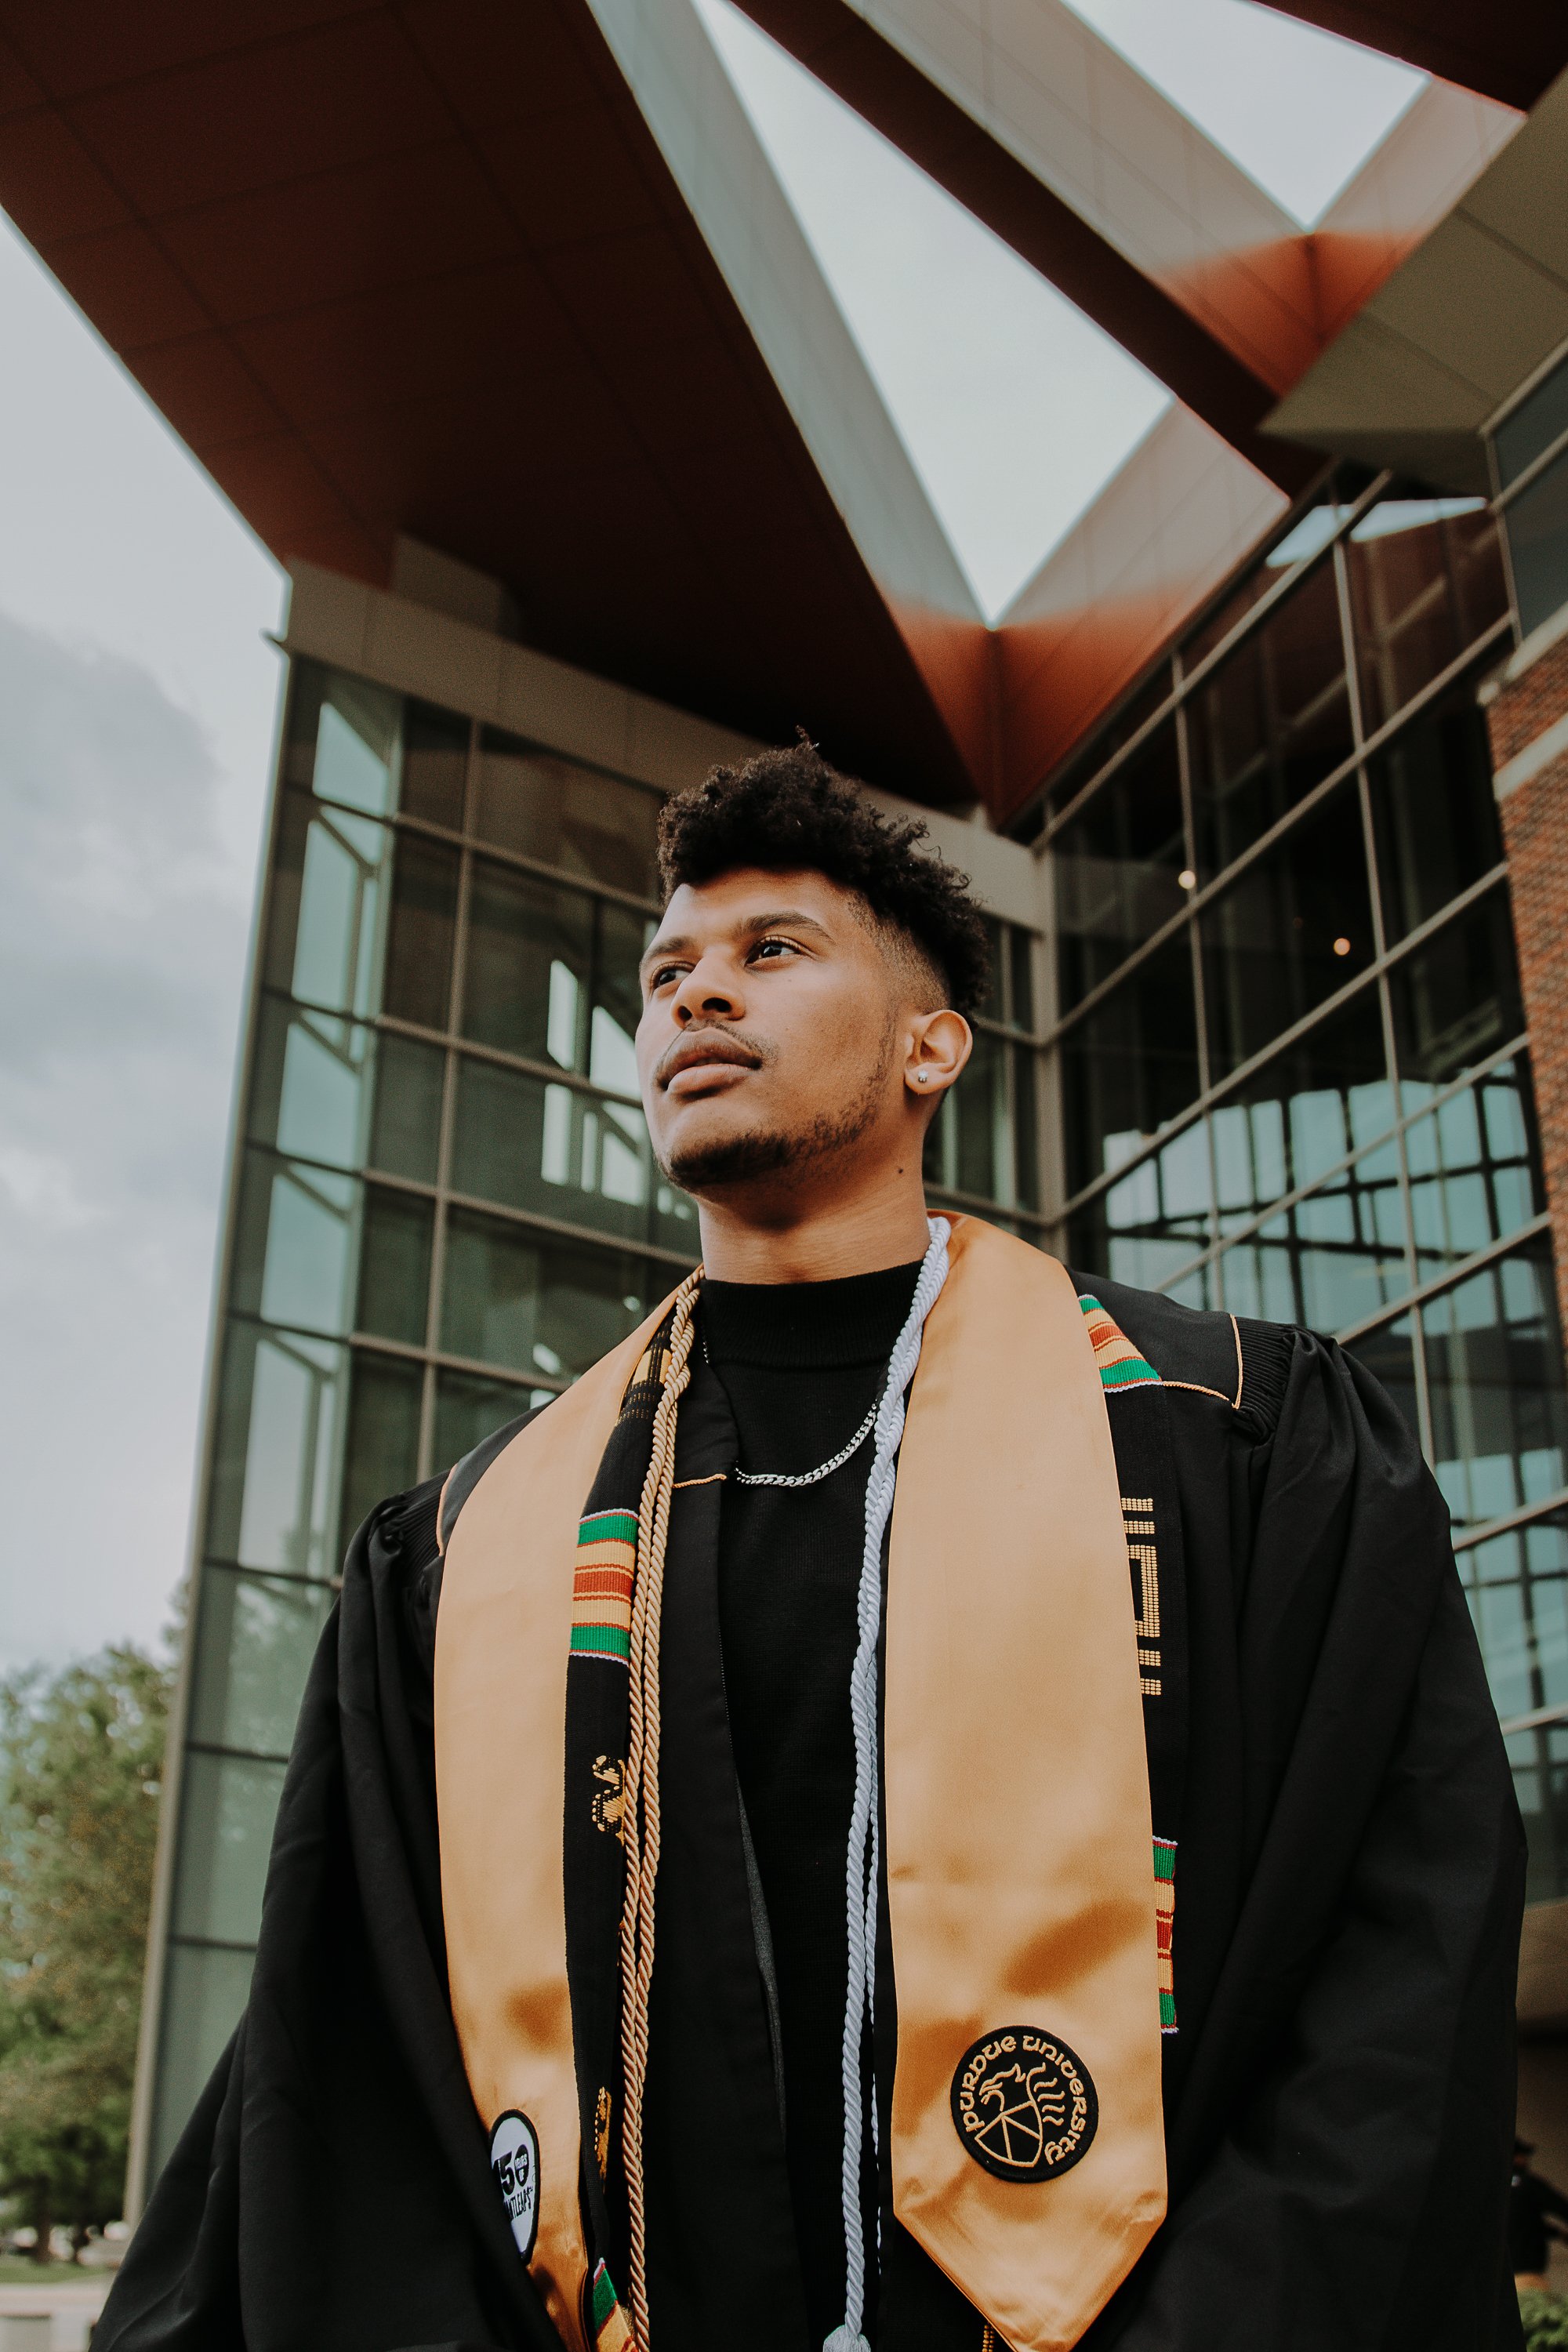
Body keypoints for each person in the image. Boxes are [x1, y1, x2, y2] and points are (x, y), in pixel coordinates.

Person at [100, 744, 1524, 2352]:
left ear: (933, 1045)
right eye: (666, 974)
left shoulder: (1225, 1436)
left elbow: (1394, 1973)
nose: (696, 998)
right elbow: (347, 2070)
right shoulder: (471, 1548)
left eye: (771, 953)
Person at [1512, 2139, 1568, 2294]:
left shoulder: (1494, 2188)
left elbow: (1525, 2223)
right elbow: (1560, 2206)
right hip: (1527, 2272)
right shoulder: (1528, 2184)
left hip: (1500, 2272)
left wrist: (1556, 2233)